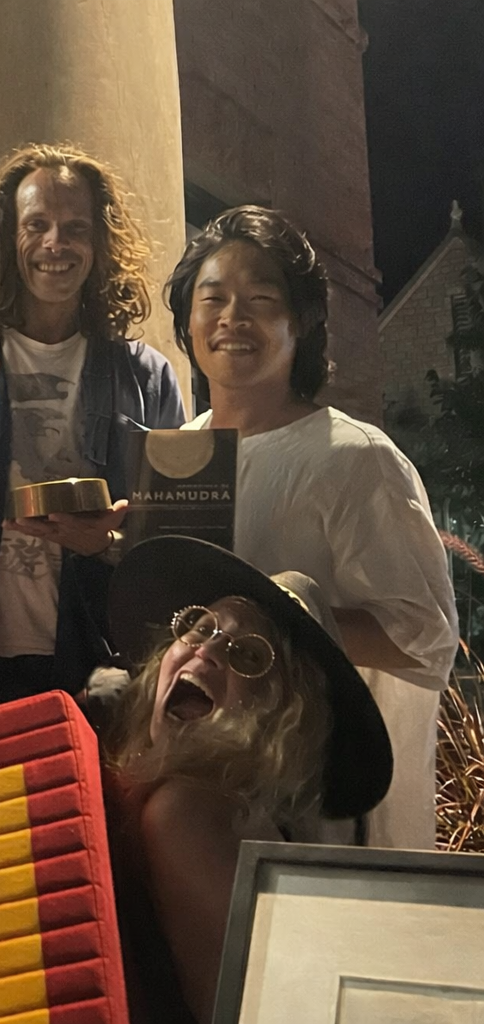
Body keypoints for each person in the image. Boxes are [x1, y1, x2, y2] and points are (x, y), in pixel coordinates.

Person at [163, 205, 457, 849]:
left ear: (302, 321)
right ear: (187, 320)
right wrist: (113, 547)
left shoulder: (354, 457)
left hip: (315, 804)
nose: (233, 318)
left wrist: (284, 616)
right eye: (212, 298)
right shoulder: (178, 455)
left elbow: (425, 634)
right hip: (197, 784)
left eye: (260, 299)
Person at [0, 143, 185, 727]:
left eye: (76, 228)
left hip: (95, 676)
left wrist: (109, 546)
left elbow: (173, 556)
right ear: (6, 237)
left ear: (100, 245)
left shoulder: (145, 378)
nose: (56, 244)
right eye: (37, 225)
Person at [100, 535, 392, 1023]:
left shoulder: (191, 810)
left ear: (284, 714)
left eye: (249, 656)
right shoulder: (188, 803)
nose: (208, 651)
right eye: (199, 627)